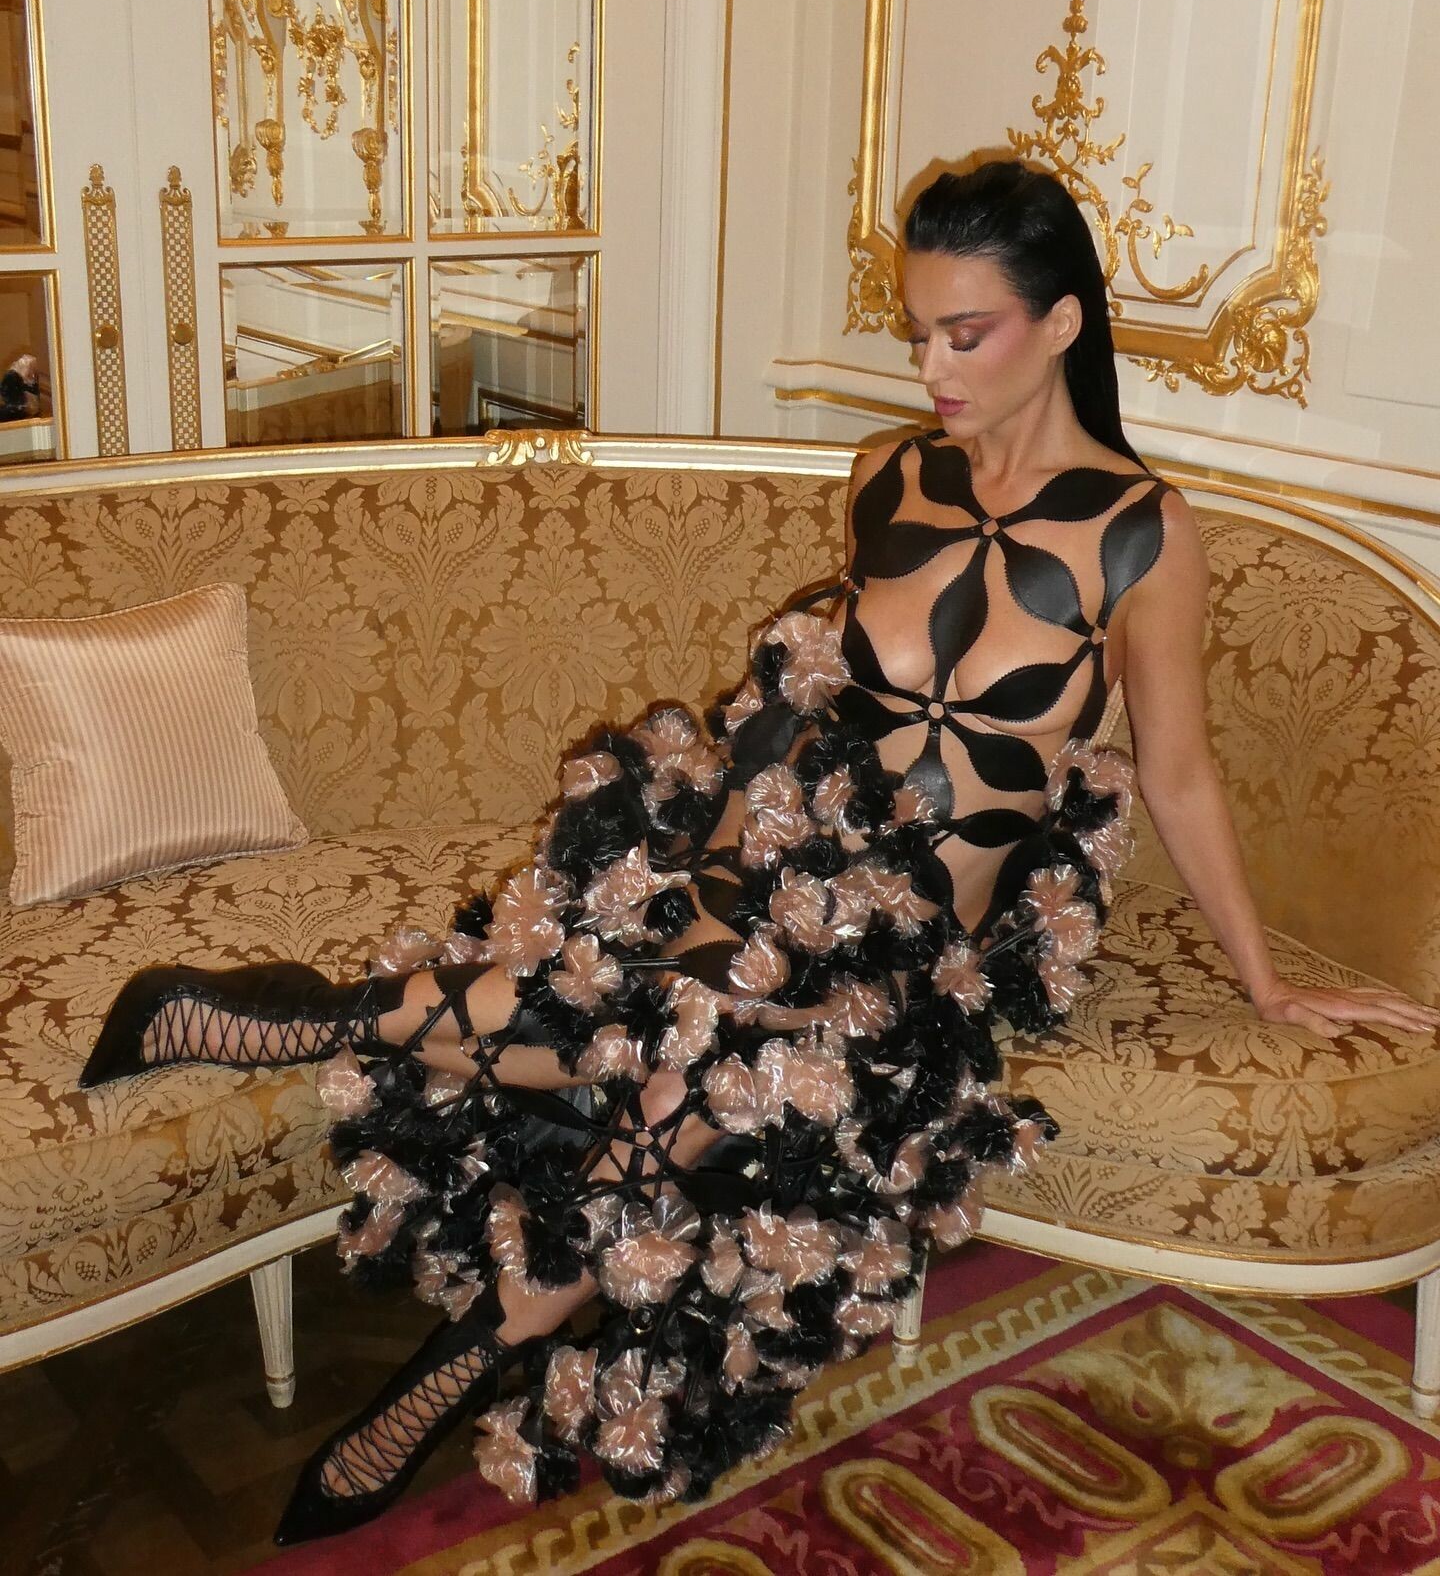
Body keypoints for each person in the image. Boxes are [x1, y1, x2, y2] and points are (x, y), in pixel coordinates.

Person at [78, 160, 1440, 1545]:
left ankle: (384, 1154)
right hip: (788, 869)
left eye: (963, 334)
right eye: (918, 332)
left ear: (1062, 325)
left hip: (918, 954)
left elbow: (1181, 772)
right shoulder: (890, 477)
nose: (929, 367)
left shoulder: (1142, 534)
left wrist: (1266, 981)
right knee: (662, 1022)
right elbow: (808, 706)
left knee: (700, 1067)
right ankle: (388, 1192)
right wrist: (715, 870)